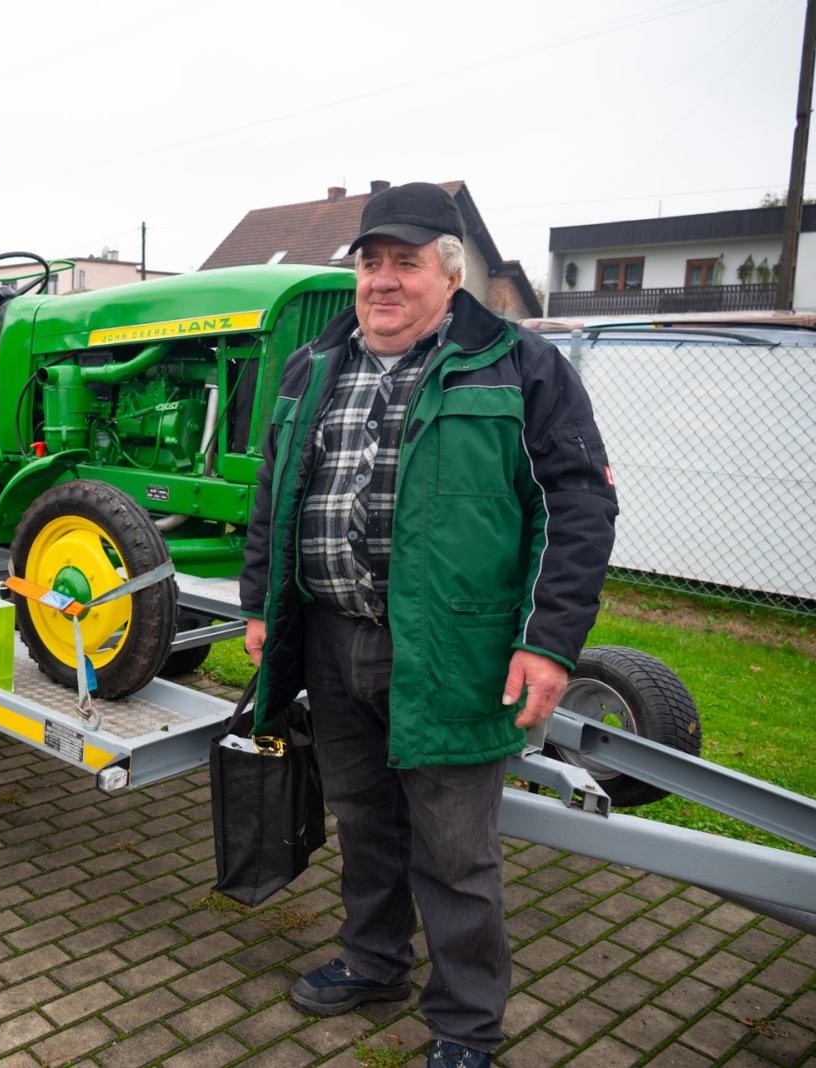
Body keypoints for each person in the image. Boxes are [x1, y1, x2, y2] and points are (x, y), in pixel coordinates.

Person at [239, 183, 617, 1067]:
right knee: (365, 823)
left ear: (449, 275)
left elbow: (579, 508)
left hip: (457, 650)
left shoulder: (520, 367)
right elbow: (273, 495)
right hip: (333, 640)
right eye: (372, 263)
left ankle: (465, 1024)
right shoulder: (312, 367)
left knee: (455, 851)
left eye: (405, 263)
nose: (383, 280)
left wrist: (549, 639)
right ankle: (374, 963)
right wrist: (261, 603)